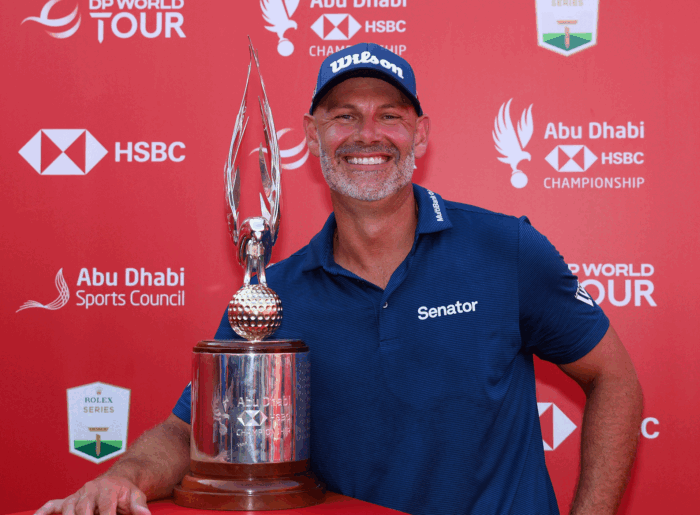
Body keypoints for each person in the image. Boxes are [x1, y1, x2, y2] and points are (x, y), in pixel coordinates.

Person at [37, 43, 643, 515]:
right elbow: (186, 432)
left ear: (421, 134)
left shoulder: (504, 248)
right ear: (310, 136)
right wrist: (122, 476)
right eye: (344, 115)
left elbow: (613, 377)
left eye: (390, 115)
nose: (367, 134)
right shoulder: (275, 296)